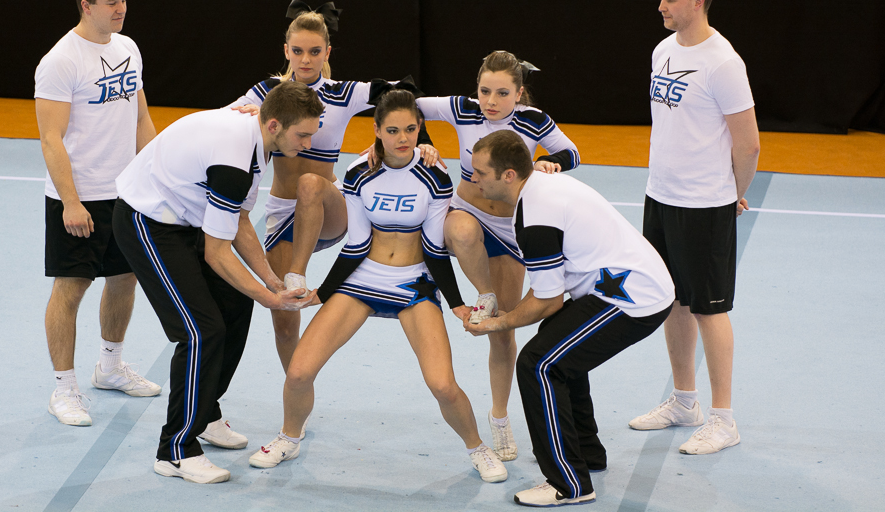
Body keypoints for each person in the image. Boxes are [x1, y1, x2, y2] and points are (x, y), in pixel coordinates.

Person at [248, 90, 508, 484]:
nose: (402, 138)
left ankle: (478, 448)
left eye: (410, 129)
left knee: (442, 384)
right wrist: (324, 292)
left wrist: (455, 302)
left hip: (414, 284)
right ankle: (289, 437)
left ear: (419, 129)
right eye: (393, 130)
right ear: (377, 131)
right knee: (299, 372)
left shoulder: (435, 176)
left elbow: (434, 248)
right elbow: (356, 244)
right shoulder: (358, 172)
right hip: (362, 280)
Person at [112, 79, 323, 484]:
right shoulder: (233, 161)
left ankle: (205, 411)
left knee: (234, 303)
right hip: (147, 222)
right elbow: (217, 253)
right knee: (200, 331)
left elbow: (238, 221)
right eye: (303, 135)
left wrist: (271, 282)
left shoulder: (258, 141)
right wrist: (271, 299)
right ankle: (175, 451)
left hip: (185, 220)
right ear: (275, 124)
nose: (308, 143)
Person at [464, 130, 674, 507]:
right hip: (633, 284)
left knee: (539, 364)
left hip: (633, 299)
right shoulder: (538, 186)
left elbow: (547, 300)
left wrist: (497, 324)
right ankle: (586, 454)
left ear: (508, 175)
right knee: (555, 344)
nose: (472, 177)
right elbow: (550, 299)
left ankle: (569, 483)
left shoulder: (534, 217)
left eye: (480, 172)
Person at [230, 0, 439, 375]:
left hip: (328, 207)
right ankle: (296, 383)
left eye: (314, 51)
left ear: (327, 52)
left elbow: (406, 93)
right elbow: (224, 119)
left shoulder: (343, 93)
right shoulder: (267, 93)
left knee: (310, 183)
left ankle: (297, 272)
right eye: (297, 51)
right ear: (286, 51)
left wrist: (405, 139)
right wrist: (244, 116)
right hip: (283, 213)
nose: (305, 59)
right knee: (284, 316)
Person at [414, 50, 580, 460]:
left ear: (519, 93)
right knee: (460, 229)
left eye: (502, 93)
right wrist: (423, 142)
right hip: (466, 213)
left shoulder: (532, 120)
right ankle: (483, 293)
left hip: (509, 230)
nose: (490, 101)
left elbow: (572, 153)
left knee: (503, 332)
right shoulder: (462, 109)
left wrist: (548, 162)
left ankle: (500, 417)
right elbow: (407, 102)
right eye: (484, 90)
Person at [629, 0, 759, 455]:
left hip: (705, 204)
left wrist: (731, 193)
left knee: (709, 308)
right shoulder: (663, 50)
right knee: (674, 301)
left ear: (698, 1)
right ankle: (685, 402)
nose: (661, 6)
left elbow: (748, 143)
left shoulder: (723, 63)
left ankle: (724, 420)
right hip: (660, 196)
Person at [34, 0, 161, 428]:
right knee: (71, 288)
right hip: (79, 196)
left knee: (125, 278)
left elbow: (141, 118)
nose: (121, 9)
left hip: (125, 192)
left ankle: (109, 367)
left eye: (124, 0)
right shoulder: (61, 61)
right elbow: (51, 139)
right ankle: (64, 389)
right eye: (112, 2)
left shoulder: (128, 48)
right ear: (86, 5)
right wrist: (71, 202)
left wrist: (154, 178)